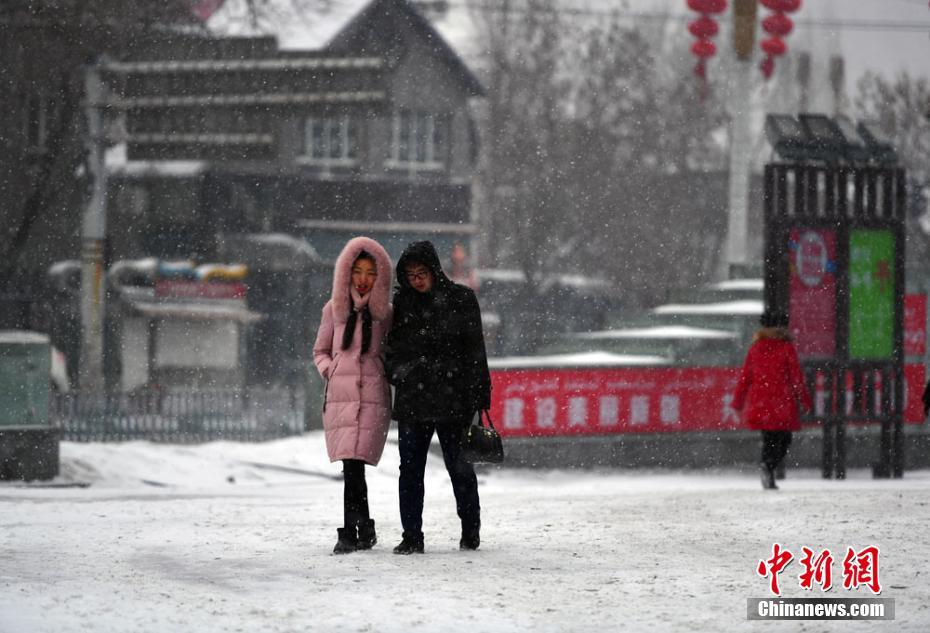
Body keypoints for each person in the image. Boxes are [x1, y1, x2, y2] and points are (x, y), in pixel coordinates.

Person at [385, 241, 491, 554]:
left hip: (453, 399)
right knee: (410, 470)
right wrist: (401, 372)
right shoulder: (402, 303)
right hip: (413, 400)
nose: (416, 279)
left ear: (434, 270)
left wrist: (480, 393)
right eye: (410, 274)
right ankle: (412, 536)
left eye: (421, 272)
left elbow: (475, 350)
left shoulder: (461, 298)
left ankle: (470, 532)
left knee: (459, 467)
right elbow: (392, 349)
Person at [313, 237, 393, 554]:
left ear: (380, 276)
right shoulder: (334, 310)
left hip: (372, 395)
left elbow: (393, 351)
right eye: (357, 270)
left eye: (370, 273)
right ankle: (354, 529)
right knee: (351, 466)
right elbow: (319, 350)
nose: (363, 279)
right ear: (346, 272)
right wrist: (329, 369)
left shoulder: (386, 314)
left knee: (356, 465)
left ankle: (359, 529)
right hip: (341, 397)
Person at [733, 310, 812, 490]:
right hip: (782, 403)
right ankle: (768, 467)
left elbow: (746, 377)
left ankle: (766, 468)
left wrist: (737, 402)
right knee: (784, 440)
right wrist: (805, 401)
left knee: (769, 440)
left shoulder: (755, 347)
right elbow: (796, 378)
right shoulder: (786, 347)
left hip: (761, 403)